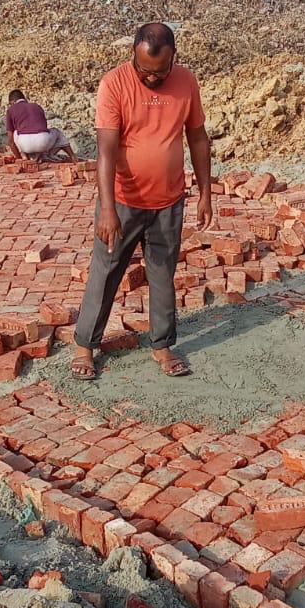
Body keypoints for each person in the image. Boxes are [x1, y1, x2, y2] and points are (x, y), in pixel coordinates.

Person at [72, 22, 212, 380]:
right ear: (132, 56)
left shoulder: (186, 82)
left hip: (168, 201)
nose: (150, 77)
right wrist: (107, 209)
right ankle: (85, 346)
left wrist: (205, 193)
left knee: (163, 275)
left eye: (159, 72)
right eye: (143, 70)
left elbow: (197, 138)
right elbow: (106, 150)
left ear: (173, 58)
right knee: (106, 271)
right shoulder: (114, 84)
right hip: (123, 202)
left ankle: (162, 346)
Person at [5, 90, 75, 162]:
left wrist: (18, 159)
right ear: (24, 99)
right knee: (57, 132)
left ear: (13, 102)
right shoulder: (37, 106)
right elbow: (44, 127)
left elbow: (11, 141)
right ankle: (72, 156)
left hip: (25, 145)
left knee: (15, 132)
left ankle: (24, 156)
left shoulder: (10, 110)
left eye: (10, 104)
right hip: (44, 142)